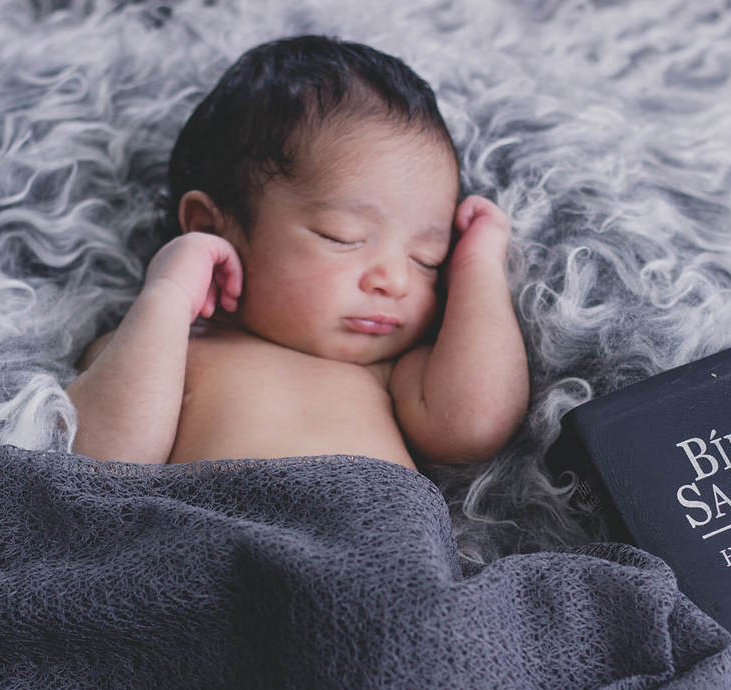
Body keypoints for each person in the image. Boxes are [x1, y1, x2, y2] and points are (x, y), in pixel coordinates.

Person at [66, 34, 529, 471]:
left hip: (386, 549)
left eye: (428, 258)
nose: (396, 281)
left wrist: (478, 267)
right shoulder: (169, 349)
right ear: (211, 228)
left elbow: (475, 426)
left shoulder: (389, 373)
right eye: (342, 236)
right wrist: (167, 297)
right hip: (221, 538)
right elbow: (99, 465)